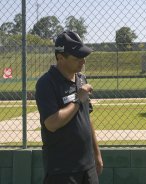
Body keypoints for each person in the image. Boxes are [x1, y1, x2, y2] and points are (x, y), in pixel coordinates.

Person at [35, 30, 103, 184]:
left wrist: (97, 155)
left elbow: (87, 119)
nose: (83, 62)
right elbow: (52, 124)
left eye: (84, 57)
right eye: (77, 58)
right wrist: (78, 100)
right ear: (60, 58)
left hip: (88, 167)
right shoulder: (46, 83)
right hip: (62, 170)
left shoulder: (81, 79)